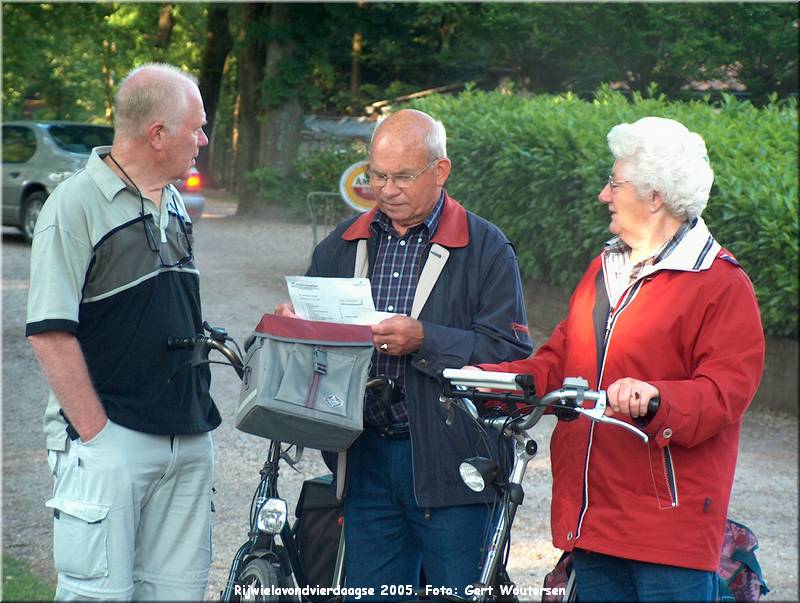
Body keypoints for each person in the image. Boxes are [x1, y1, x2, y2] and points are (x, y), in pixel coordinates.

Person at [475, 117, 765, 602]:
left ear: (654, 196)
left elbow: (725, 393)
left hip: (667, 533)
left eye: (614, 182)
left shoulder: (721, 283)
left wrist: (657, 398)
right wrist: (494, 382)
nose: (603, 195)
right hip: (592, 520)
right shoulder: (604, 268)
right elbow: (560, 358)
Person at [276, 109, 532, 598]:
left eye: (401, 176)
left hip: (453, 463)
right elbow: (315, 344)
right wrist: (297, 323)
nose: (386, 189)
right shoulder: (344, 241)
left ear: (441, 171)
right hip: (365, 456)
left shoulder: (486, 247)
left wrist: (426, 339)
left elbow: (512, 352)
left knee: (457, 591)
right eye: (377, 175)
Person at [26, 63, 220, 601]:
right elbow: (49, 332)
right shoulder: (74, 205)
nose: (203, 140)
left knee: (178, 593)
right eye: (196, 127)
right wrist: (98, 437)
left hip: (186, 435)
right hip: (112, 440)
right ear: (158, 134)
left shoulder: (173, 200)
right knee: (99, 595)